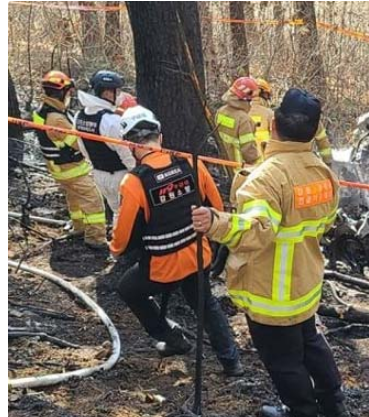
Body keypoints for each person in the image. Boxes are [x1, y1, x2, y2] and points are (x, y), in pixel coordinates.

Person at [192, 89, 346, 417]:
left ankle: (303, 413)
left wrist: (215, 222)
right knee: (311, 343)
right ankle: (333, 405)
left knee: (283, 359)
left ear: (273, 124)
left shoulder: (266, 178)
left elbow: (255, 232)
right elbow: (324, 223)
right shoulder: (323, 174)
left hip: (271, 291)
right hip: (305, 283)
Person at [110, 106, 242, 376]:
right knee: (206, 305)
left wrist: (114, 248)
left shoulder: (133, 183)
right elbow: (216, 208)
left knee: (127, 288)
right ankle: (231, 362)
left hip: (162, 267)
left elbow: (122, 242)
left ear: (130, 144)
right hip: (198, 255)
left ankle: (170, 337)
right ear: (160, 136)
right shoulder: (192, 164)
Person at [33, 71, 107, 250]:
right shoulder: (57, 119)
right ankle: (95, 238)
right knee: (93, 201)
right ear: (61, 92)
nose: (70, 95)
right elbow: (78, 144)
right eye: (68, 92)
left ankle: (79, 227)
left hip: (59, 169)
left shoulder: (44, 110)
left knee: (74, 199)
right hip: (72, 169)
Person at [75, 70, 136, 222]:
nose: (120, 95)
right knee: (129, 215)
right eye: (118, 91)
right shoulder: (110, 121)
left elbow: (83, 147)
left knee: (117, 211)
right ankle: (125, 244)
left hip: (99, 173)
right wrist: (138, 173)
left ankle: (117, 242)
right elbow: (125, 154)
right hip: (119, 175)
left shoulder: (80, 116)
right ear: (108, 93)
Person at [249, 78, 333, 166]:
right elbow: (323, 143)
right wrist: (328, 164)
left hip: (247, 166)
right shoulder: (271, 115)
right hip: (294, 165)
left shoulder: (241, 114)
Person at [215, 77, 261, 176]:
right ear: (246, 98)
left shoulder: (221, 111)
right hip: (238, 170)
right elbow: (248, 151)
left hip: (222, 166)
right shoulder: (244, 119)